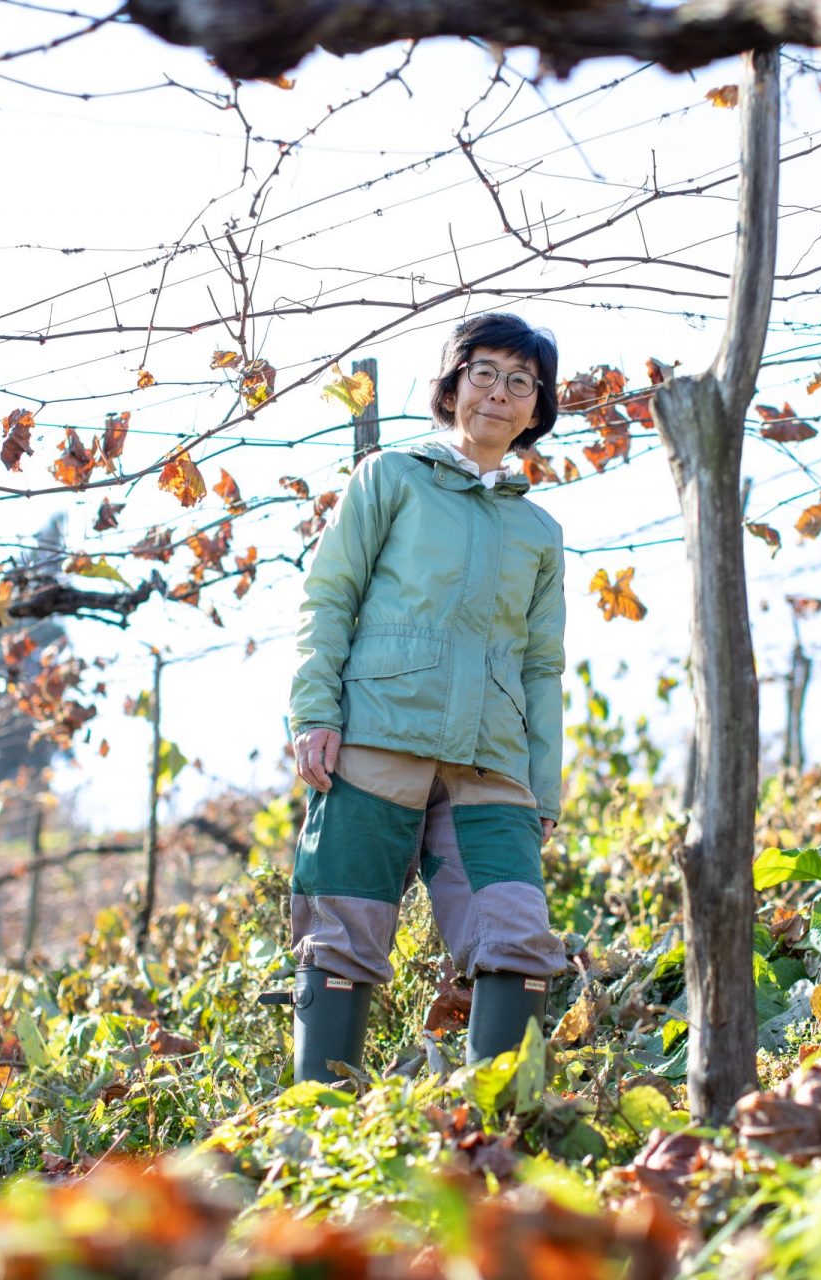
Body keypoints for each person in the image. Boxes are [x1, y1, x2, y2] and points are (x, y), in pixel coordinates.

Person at [276, 313, 569, 1084]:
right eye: (484, 374)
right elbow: (330, 594)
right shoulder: (391, 478)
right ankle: (323, 1125)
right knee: (345, 928)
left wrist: (545, 783)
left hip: (493, 760)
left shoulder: (539, 530)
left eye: (520, 382)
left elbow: (543, 664)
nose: (499, 394)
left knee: (516, 933)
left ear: (537, 409)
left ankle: (499, 1128)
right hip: (376, 737)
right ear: (452, 384)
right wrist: (314, 714)